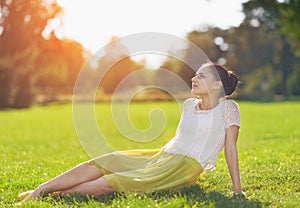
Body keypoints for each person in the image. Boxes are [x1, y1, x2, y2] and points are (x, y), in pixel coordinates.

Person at [18, 62, 244, 202]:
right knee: (107, 161)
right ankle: (40, 190)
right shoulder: (188, 105)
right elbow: (179, 140)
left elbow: (230, 149)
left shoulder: (229, 109)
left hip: (185, 167)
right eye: (195, 74)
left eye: (202, 76)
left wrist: (237, 191)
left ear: (217, 86)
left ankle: (55, 196)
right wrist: (156, 160)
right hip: (162, 155)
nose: (194, 78)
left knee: (112, 182)